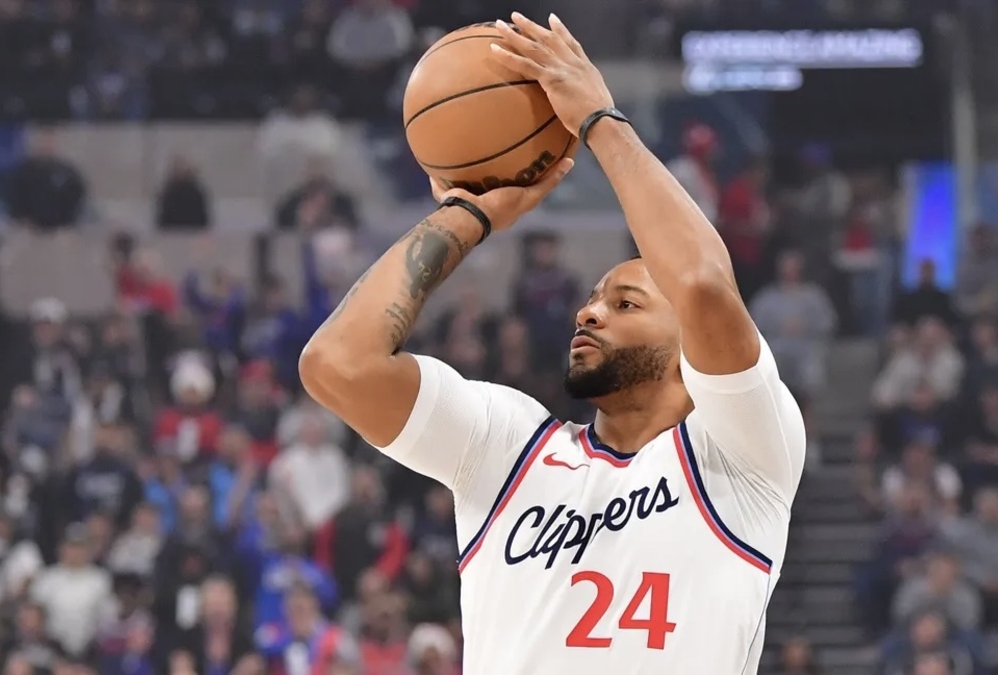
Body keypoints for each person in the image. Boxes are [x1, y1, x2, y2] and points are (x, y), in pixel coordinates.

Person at [299, 12, 806, 675]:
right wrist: (466, 215)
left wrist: (600, 122)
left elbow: (705, 286)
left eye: (624, 301)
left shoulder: (743, 453)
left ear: (691, 345)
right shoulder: (510, 446)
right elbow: (337, 364)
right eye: (591, 298)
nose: (589, 311)